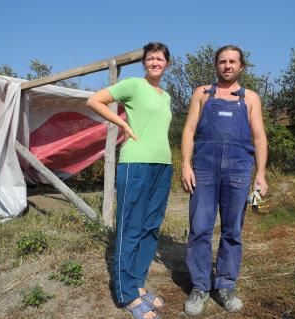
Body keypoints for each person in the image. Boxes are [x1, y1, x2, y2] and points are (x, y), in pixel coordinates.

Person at [87, 42, 173, 319]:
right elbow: (94, 100)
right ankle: (126, 295)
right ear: (144, 63)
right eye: (150, 58)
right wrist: (122, 123)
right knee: (130, 227)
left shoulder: (166, 96)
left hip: (163, 165)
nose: (155, 62)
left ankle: (137, 285)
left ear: (167, 63)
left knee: (150, 228)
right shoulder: (134, 85)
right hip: (135, 163)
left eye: (160, 58)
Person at [181, 45, 268, 316]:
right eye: (222, 61)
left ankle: (226, 285)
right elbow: (189, 130)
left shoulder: (250, 98)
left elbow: (259, 137)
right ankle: (200, 287)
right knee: (199, 229)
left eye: (232, 61)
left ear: (241, 66)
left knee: (233, 231)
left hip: (239, 171)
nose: (227, 65)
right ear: (216, 65)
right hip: (204, 170)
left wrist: (261, 174)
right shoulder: (202, 94)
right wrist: (185, 164)